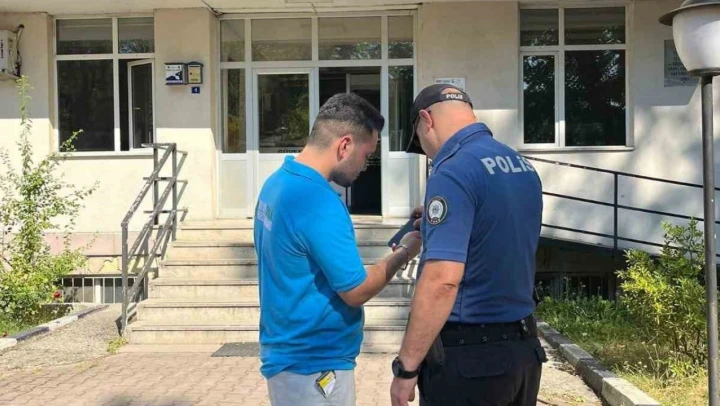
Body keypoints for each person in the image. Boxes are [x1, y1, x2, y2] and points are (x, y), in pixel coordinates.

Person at [253, 92, 423, 406]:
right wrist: (405, 252)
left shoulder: (276, 183)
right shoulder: (318, 201)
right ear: (345, 145)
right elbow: (355, 290)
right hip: (315, 366)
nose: (365, 166)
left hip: (287, 357)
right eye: (367, 154)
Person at [389, 84, 546, 406]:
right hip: (524, 353)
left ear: (426, 120)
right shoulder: (520, 164)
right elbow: (495, 232)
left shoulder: (453, 170)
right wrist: (439, 224)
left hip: (471, 362)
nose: (428, 154)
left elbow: (442, 280)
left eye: (420, 143)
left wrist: (406, 368)